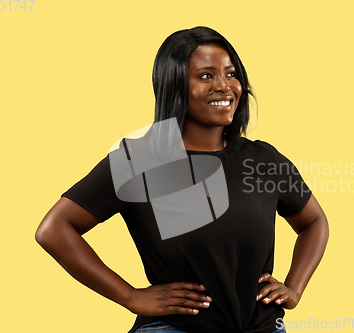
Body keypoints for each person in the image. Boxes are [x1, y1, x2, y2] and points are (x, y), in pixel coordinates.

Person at [36, 26, 329, 333]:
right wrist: (129, 296)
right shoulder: (139, 160)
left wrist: (294, 288)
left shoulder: (263, 160)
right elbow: (54, 230)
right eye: (206, 76)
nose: (224, 86)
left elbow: (314, 222)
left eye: (231, 74)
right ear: (175, 86)